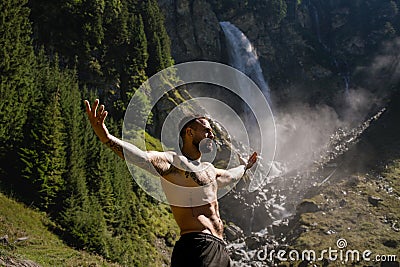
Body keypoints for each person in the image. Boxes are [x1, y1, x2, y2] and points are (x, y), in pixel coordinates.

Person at [84, 99, 258, 267]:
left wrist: (245, 167)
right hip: (197, 245)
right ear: (189, 132)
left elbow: (231, 176)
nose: (211, 135)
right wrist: (107, 138)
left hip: (220, 248)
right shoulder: (174, 162)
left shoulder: (209, 170)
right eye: (206, 131)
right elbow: (142, 158)